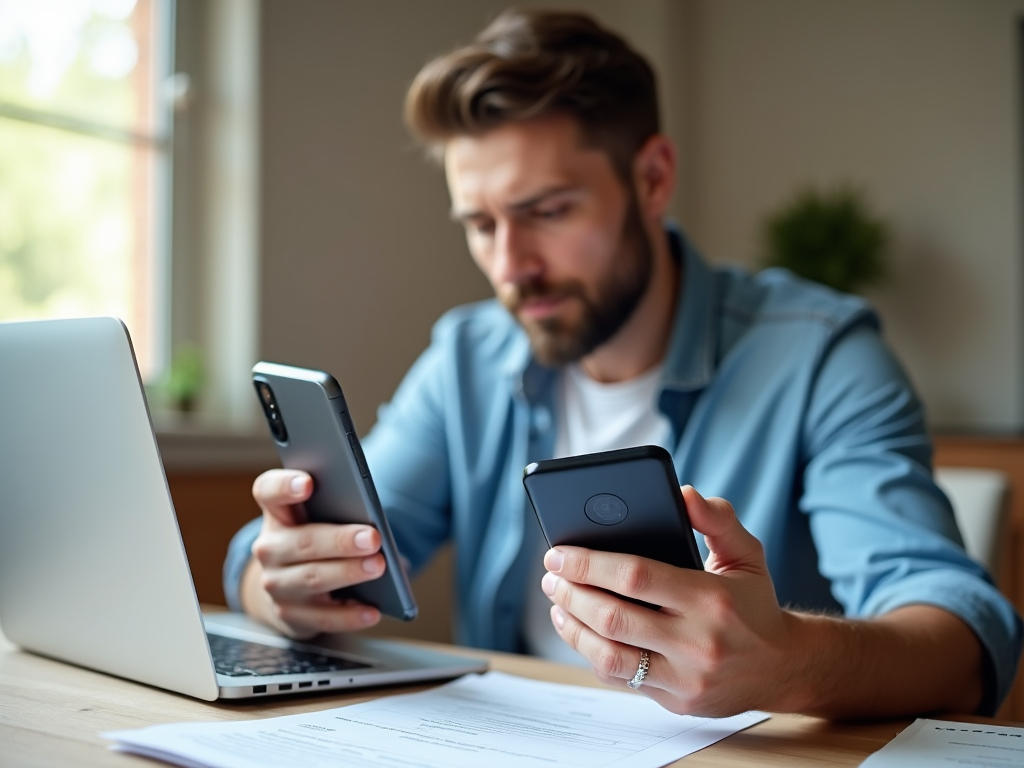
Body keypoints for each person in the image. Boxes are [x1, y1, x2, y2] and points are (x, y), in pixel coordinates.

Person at [224, 8, 1021, 718]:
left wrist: (790, 665)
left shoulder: (822, 354)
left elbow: (961, 637)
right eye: (480, 224)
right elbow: (302, 559)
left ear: (653, 178)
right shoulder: (467, 357)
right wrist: (280, 580)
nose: (512, 265)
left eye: (547, 212)